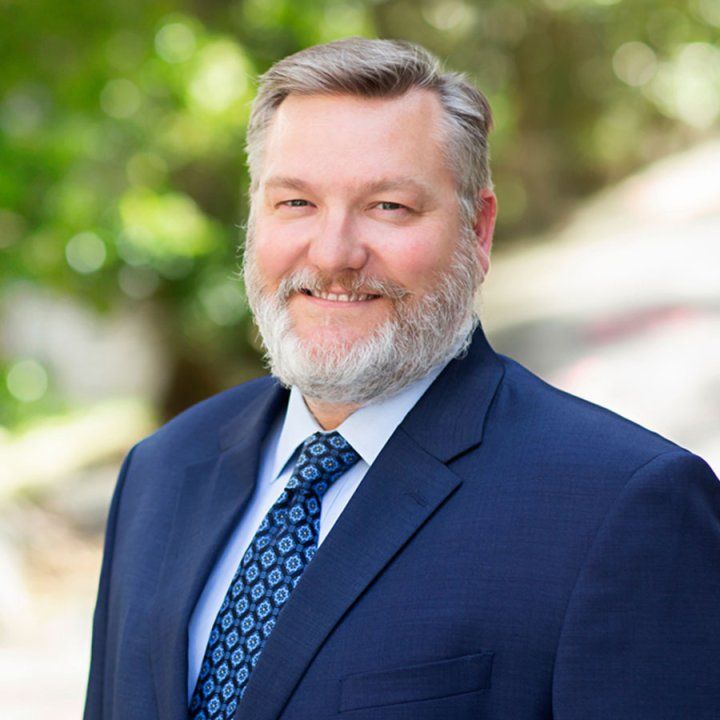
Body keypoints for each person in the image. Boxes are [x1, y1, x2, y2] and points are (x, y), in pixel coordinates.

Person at [84, 38, 720, 720]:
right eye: (295, 202)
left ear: (478, 232)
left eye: (388, 207)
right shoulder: (160, 470)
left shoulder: (626, 507)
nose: (332, 254)